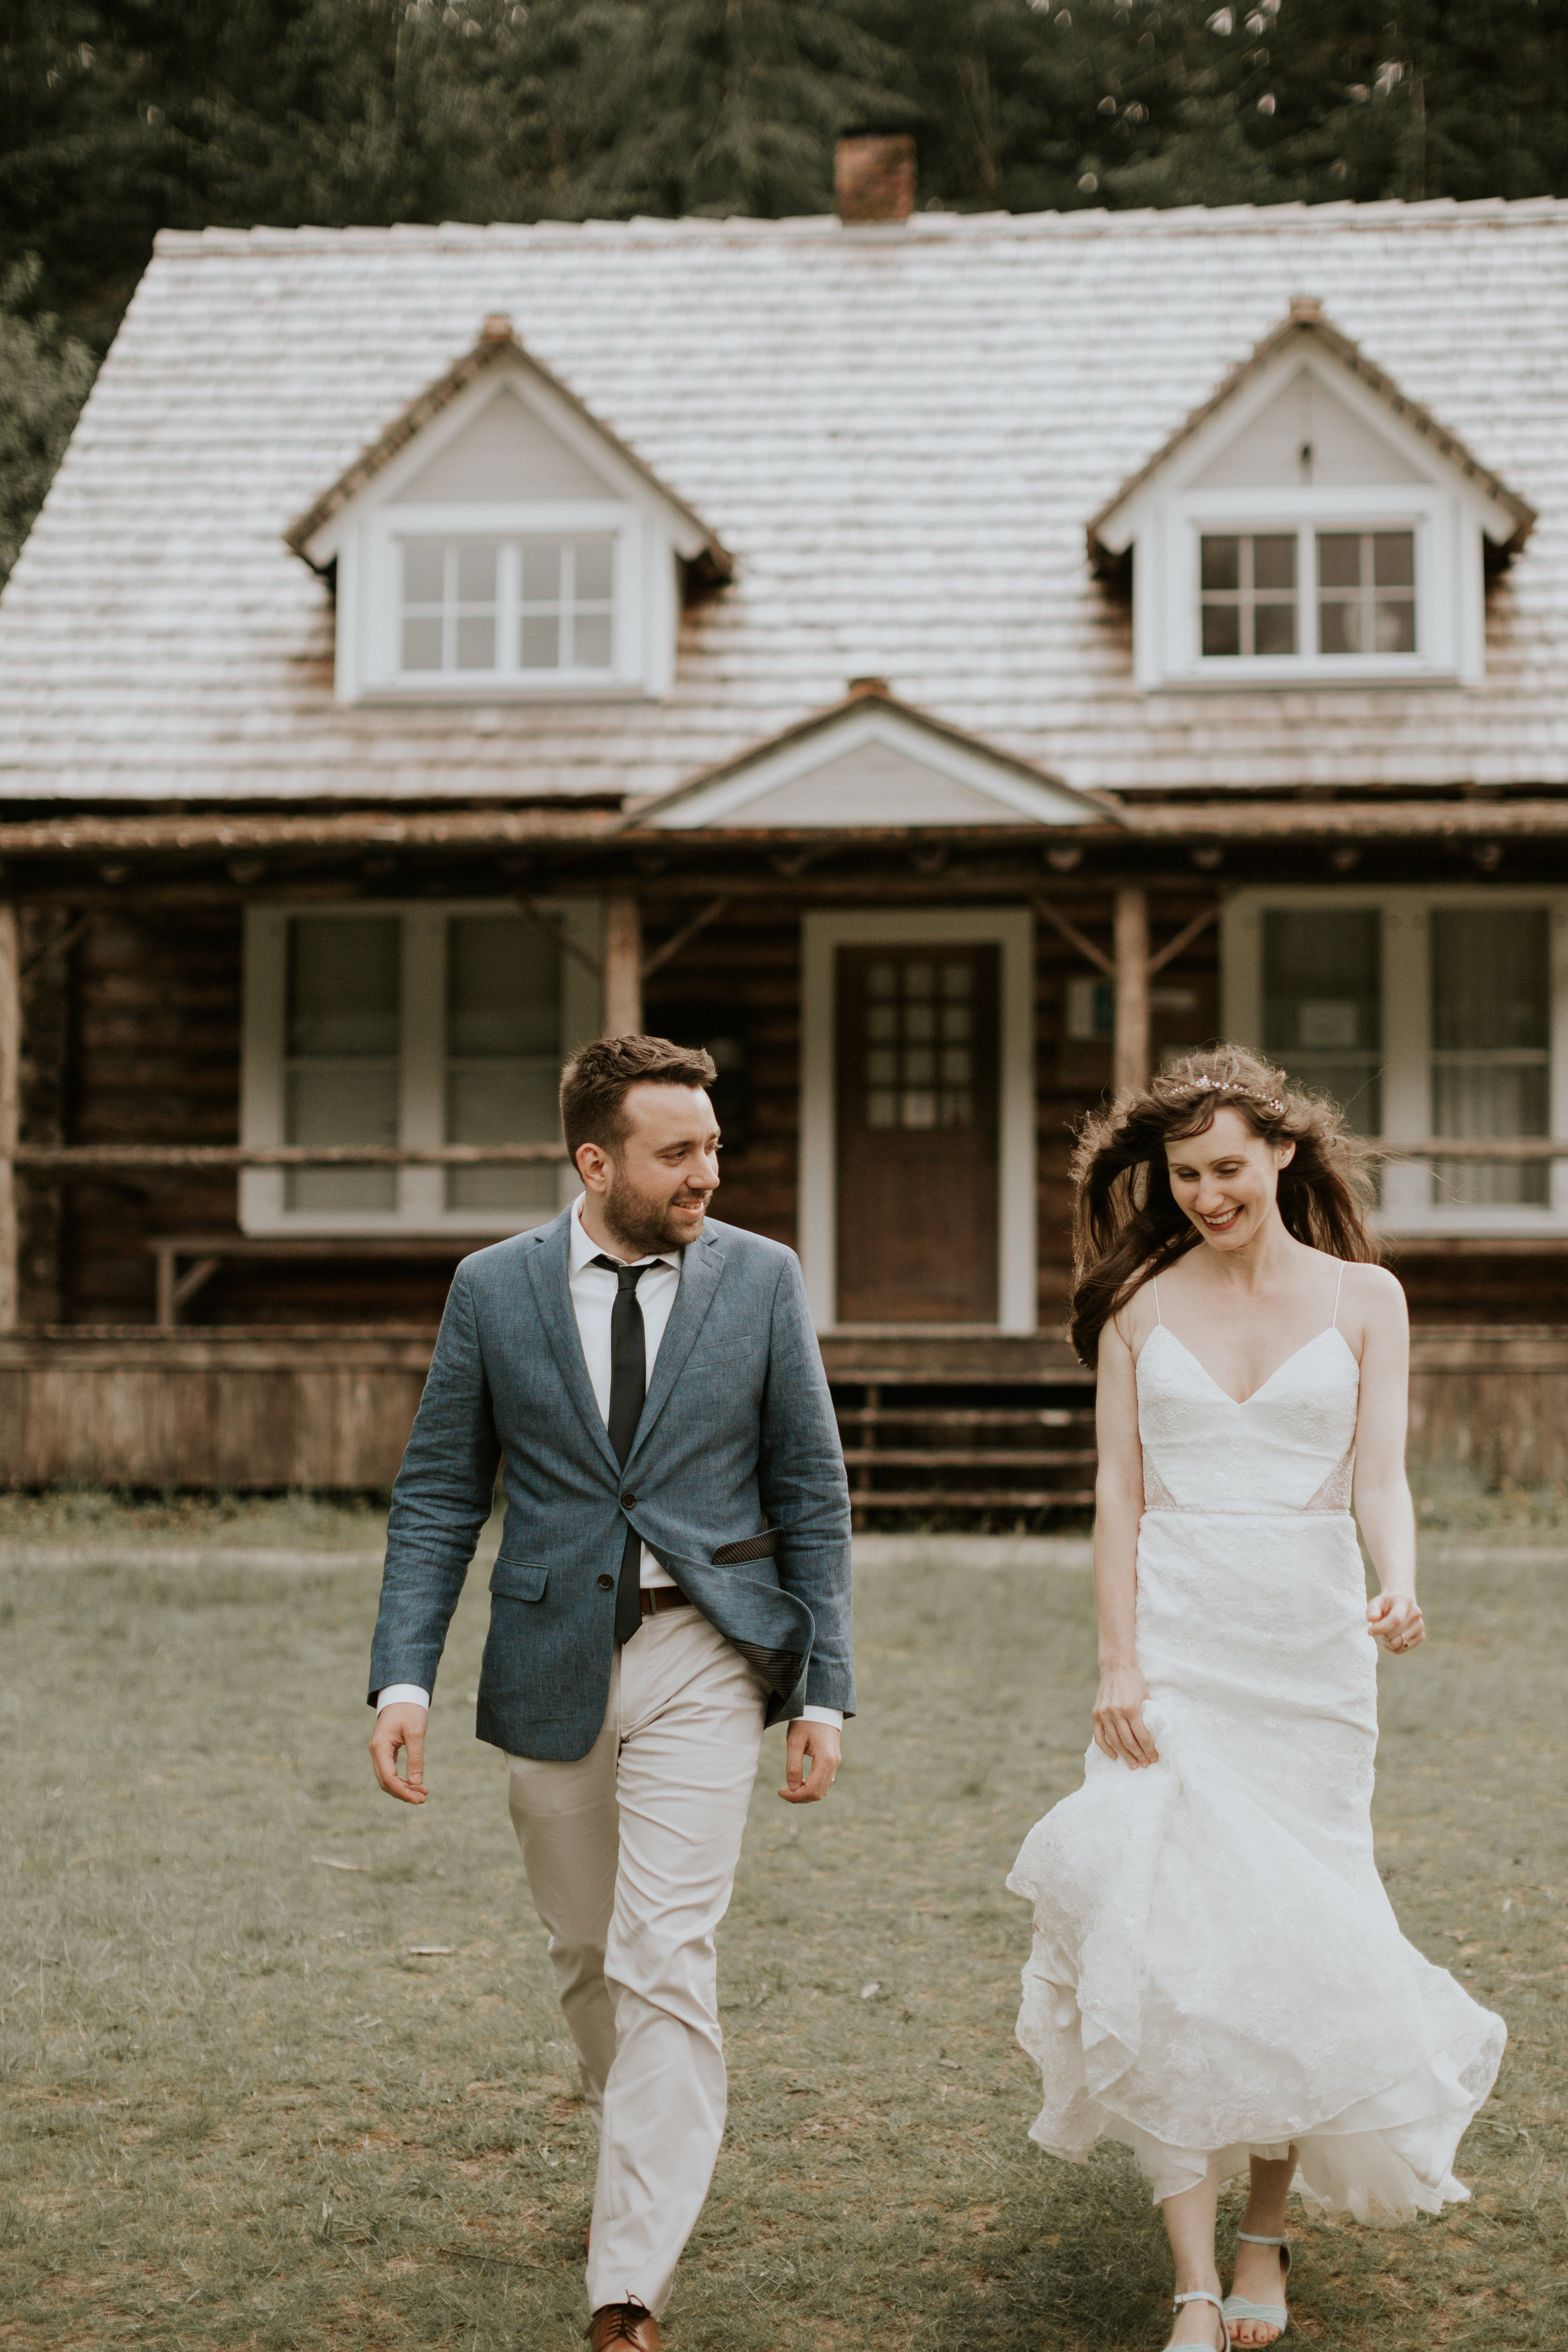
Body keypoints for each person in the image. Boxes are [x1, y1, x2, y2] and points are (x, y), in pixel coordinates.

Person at [1007, 1046, 1505, 2352]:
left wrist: (1395, 1580)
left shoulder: (1365, 1301)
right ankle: (1185, 2278)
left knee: (1295, 1933)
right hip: (1172, 1642)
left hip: (1304, 1648)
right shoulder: (1133, 1303)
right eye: (1183, 1176)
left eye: (1226, 1168)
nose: (1205, 1194)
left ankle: (1262, 2238)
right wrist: (1117, 1663)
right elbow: (1116, 1497)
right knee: (1161, 1934)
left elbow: (1375, 1478)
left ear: (1281, 1152)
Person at [367, 1034, 854, 2352]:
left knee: (664, 1956)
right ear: (595, 1161)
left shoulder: (760, 1280)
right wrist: (400, 1674)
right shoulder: (493, 1289)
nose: (709, 1170)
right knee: (587, 1955)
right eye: (676, 1151)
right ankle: (637, 2124)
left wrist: (825, 1692)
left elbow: (811, 1490)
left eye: (711, 1145)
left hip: (709, 1648)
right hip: (549, 1661)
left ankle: (625, 2282)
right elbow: (438, 1493)